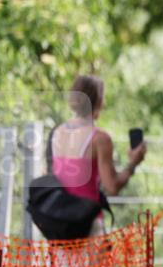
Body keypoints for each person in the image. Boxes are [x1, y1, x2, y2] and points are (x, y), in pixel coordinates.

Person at [51, 74, 147, 236]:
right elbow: (112, 186)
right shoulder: (99, 139)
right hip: (87, 224)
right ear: (98, 102)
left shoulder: (58, 132)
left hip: (59, 224)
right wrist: (133, 163)